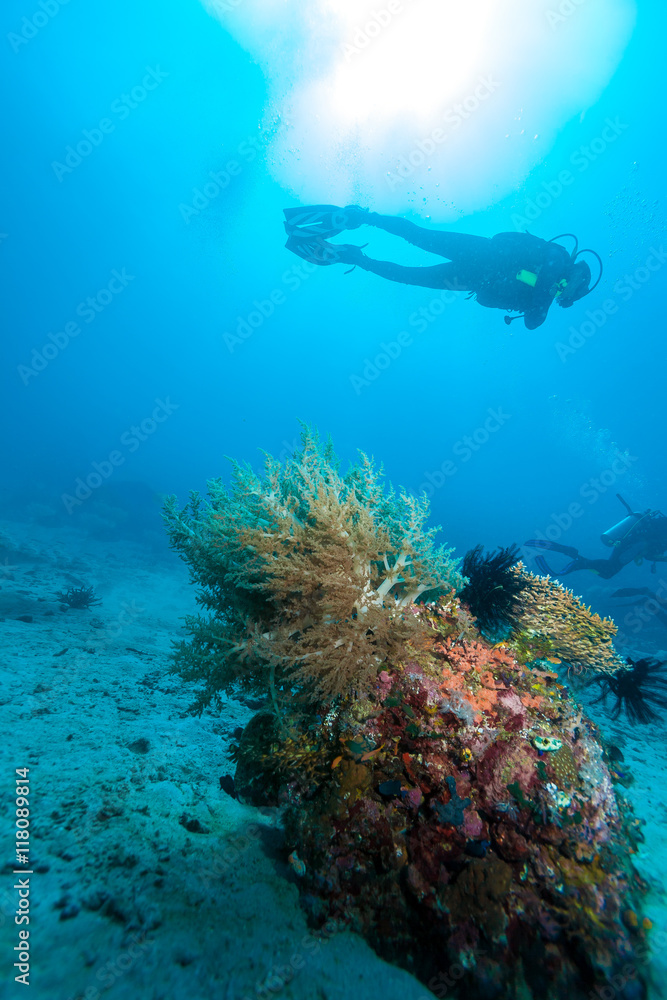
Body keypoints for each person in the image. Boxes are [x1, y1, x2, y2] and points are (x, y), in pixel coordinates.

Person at [283, 204, 601, 330]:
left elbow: (532, 322)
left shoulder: (545, 296)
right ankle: (363, 218)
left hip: (473, 277)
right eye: (571, 289)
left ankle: (358, 255)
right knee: (419, 238)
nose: (564, 295)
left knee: (411, 273)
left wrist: (547, 293)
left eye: (569, 296)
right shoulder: (558, 259)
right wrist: (545, 286)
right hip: (485, 256)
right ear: (576, 276)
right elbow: (532, 274)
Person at [525, 496, 667, 580]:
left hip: (628, 541)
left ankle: (576, 558)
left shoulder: (660, 526)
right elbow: (652, 551)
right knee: (609, 571)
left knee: (608, 571)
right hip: (636, 545)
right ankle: (576, 559)